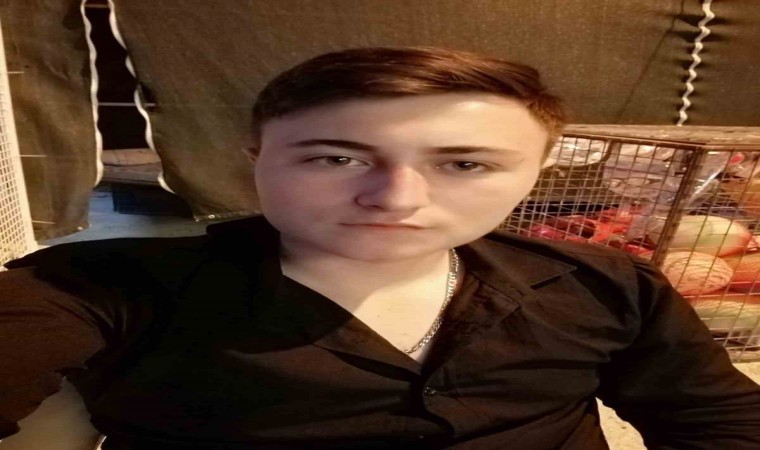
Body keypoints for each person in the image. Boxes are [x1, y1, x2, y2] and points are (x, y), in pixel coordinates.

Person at [1, 46, 759, 450]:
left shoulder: (606, 286)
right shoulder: (102, 289)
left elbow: (717, 423)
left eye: (465, 164)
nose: (395, 199)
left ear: (536, 173)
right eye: (336, 158)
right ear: (254, 161)